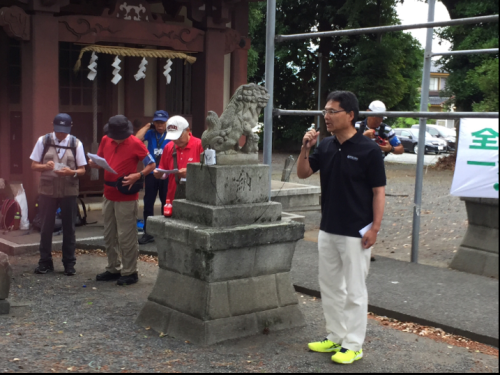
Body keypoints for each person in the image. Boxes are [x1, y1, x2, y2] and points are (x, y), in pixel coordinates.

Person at [297, 91, 386, 365]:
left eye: (332, 111)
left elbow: (378, 192)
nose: (327, 116)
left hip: (357, 231)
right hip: (328, 228)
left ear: (350, 115)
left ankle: (353, 344)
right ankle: (335, 336)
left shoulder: (368, 150)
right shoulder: (325, 146)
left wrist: (375, 228)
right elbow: (303, 173)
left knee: (355, 290)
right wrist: (305, 148)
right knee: (331, 285)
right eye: (325, 111)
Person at [88, 115, 156, 286]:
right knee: (109, 233)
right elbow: (99, 158)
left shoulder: (135, 143)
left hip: (126, 193)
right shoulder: (105, 140)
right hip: (108, 192)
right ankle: (113, 267)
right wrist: (94, 163)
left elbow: (151, 164)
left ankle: (130, 271)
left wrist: (138, 175)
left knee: (126, 235)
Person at [29, 113, 87, 276]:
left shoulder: (76, 143)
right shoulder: (44, 141)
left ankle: (69, 263)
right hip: (47, 190)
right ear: (53, 127)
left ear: (70, 127)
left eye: (64, 131)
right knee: (45, 226)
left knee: (69, 227)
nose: (61, 134)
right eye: (58, 130)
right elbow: (33, 165)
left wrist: (71, 171)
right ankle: (45, 262)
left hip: (69, 190)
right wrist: (45, 166)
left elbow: (82, 170)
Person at [135, 110, 170, 245]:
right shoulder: (150, 133)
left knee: (165, 203)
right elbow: (137, 139)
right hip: (151, 172)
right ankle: (147, 232)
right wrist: (148, 126)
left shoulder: (171, 134)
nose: (159, 125)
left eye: (162, 122)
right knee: (148, 203)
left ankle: (164, 232)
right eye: (157, 122)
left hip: (166, 172)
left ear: (167, 122)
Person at [153, 116, 204, 201]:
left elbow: (209, 172)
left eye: (178, 136)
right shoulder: (168, 147)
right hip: (173, 197)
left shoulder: (200, 145)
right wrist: (160, 174)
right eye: (173, 137)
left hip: (196, 197)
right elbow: (164, 169)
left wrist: (191, 172)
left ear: (188, 130)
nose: (176, 140)